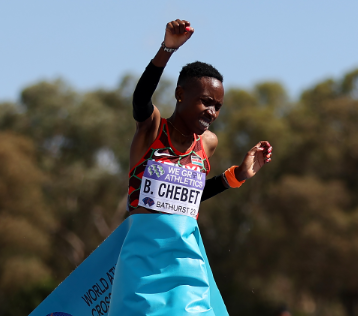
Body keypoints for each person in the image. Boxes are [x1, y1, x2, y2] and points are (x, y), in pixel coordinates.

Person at [108, 19, 272, 315]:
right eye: (206, 101)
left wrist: (238, 175)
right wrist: (167, 49)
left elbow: (190, 198)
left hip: (187, 258)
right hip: (143, 258)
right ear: (180, 95)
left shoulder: (207, 143)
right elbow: (140, 99)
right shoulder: (153, 129)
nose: (212, 111)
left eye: (218, 106)